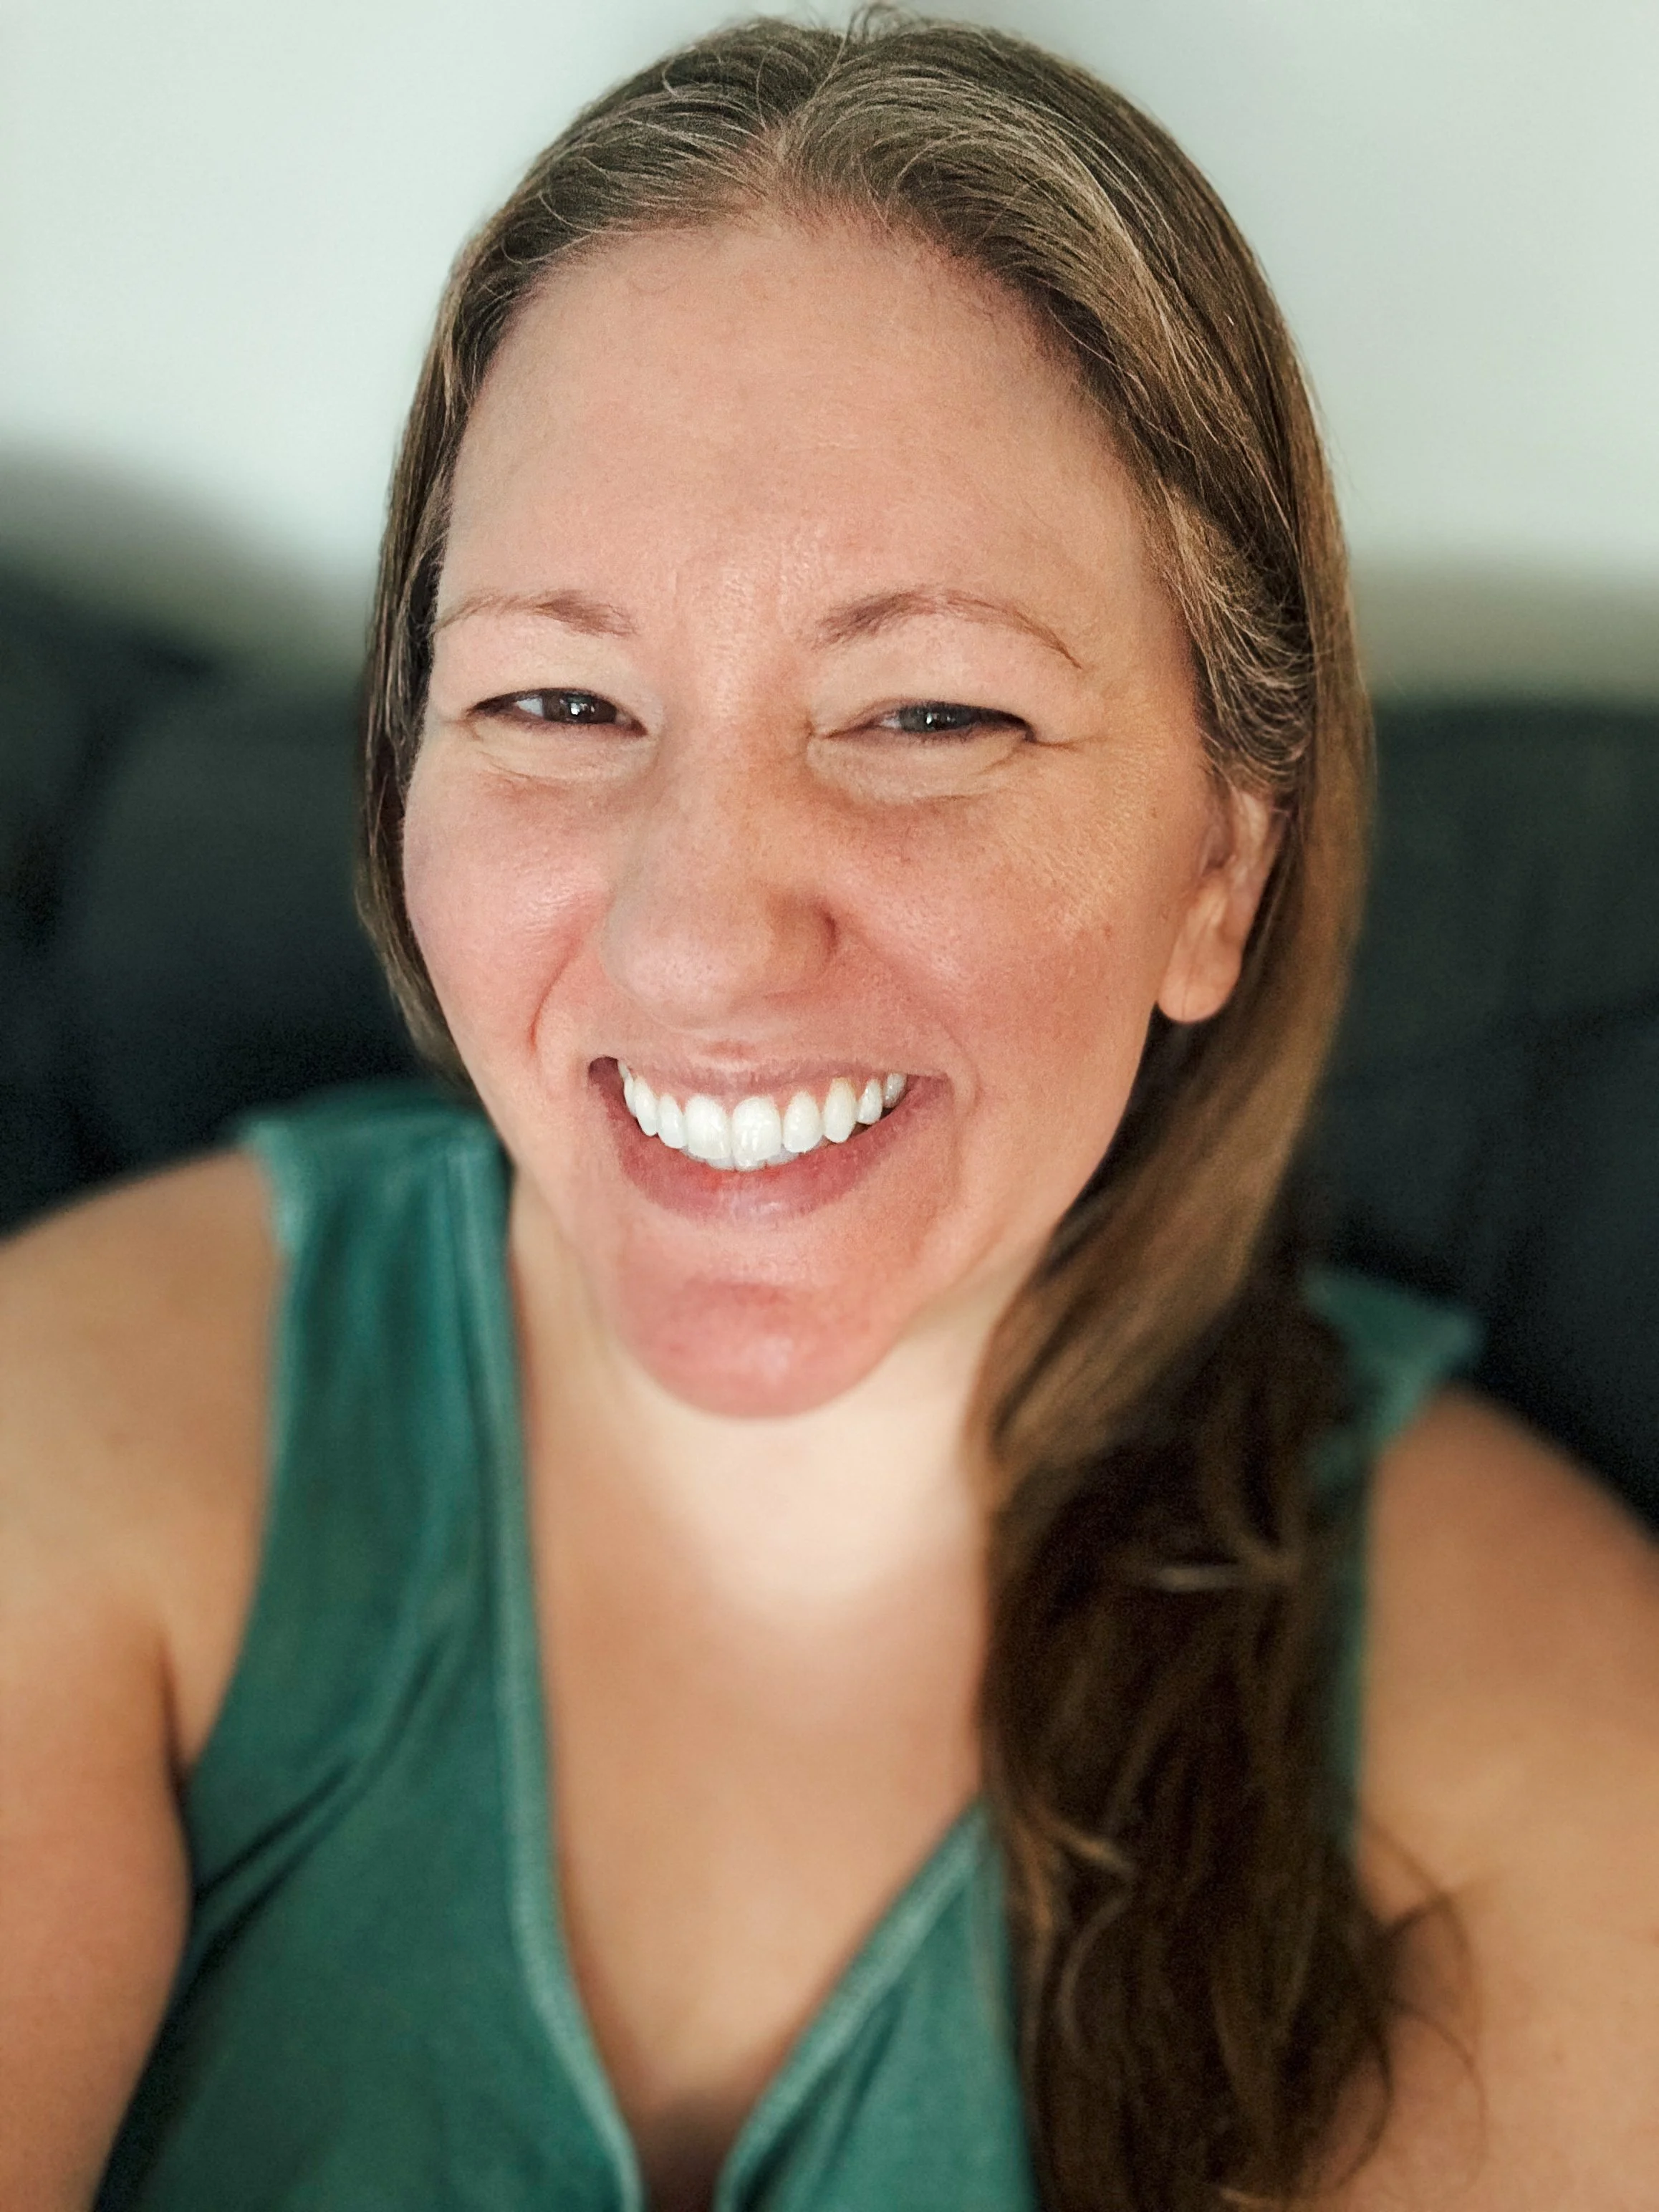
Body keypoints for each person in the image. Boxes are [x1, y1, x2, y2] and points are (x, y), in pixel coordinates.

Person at [3, 13, 1657, 2211]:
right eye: (557, 698)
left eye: (929, 711)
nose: (695, 941)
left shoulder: (1537, 1741)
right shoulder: (74, 1441)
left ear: (1218, 868)